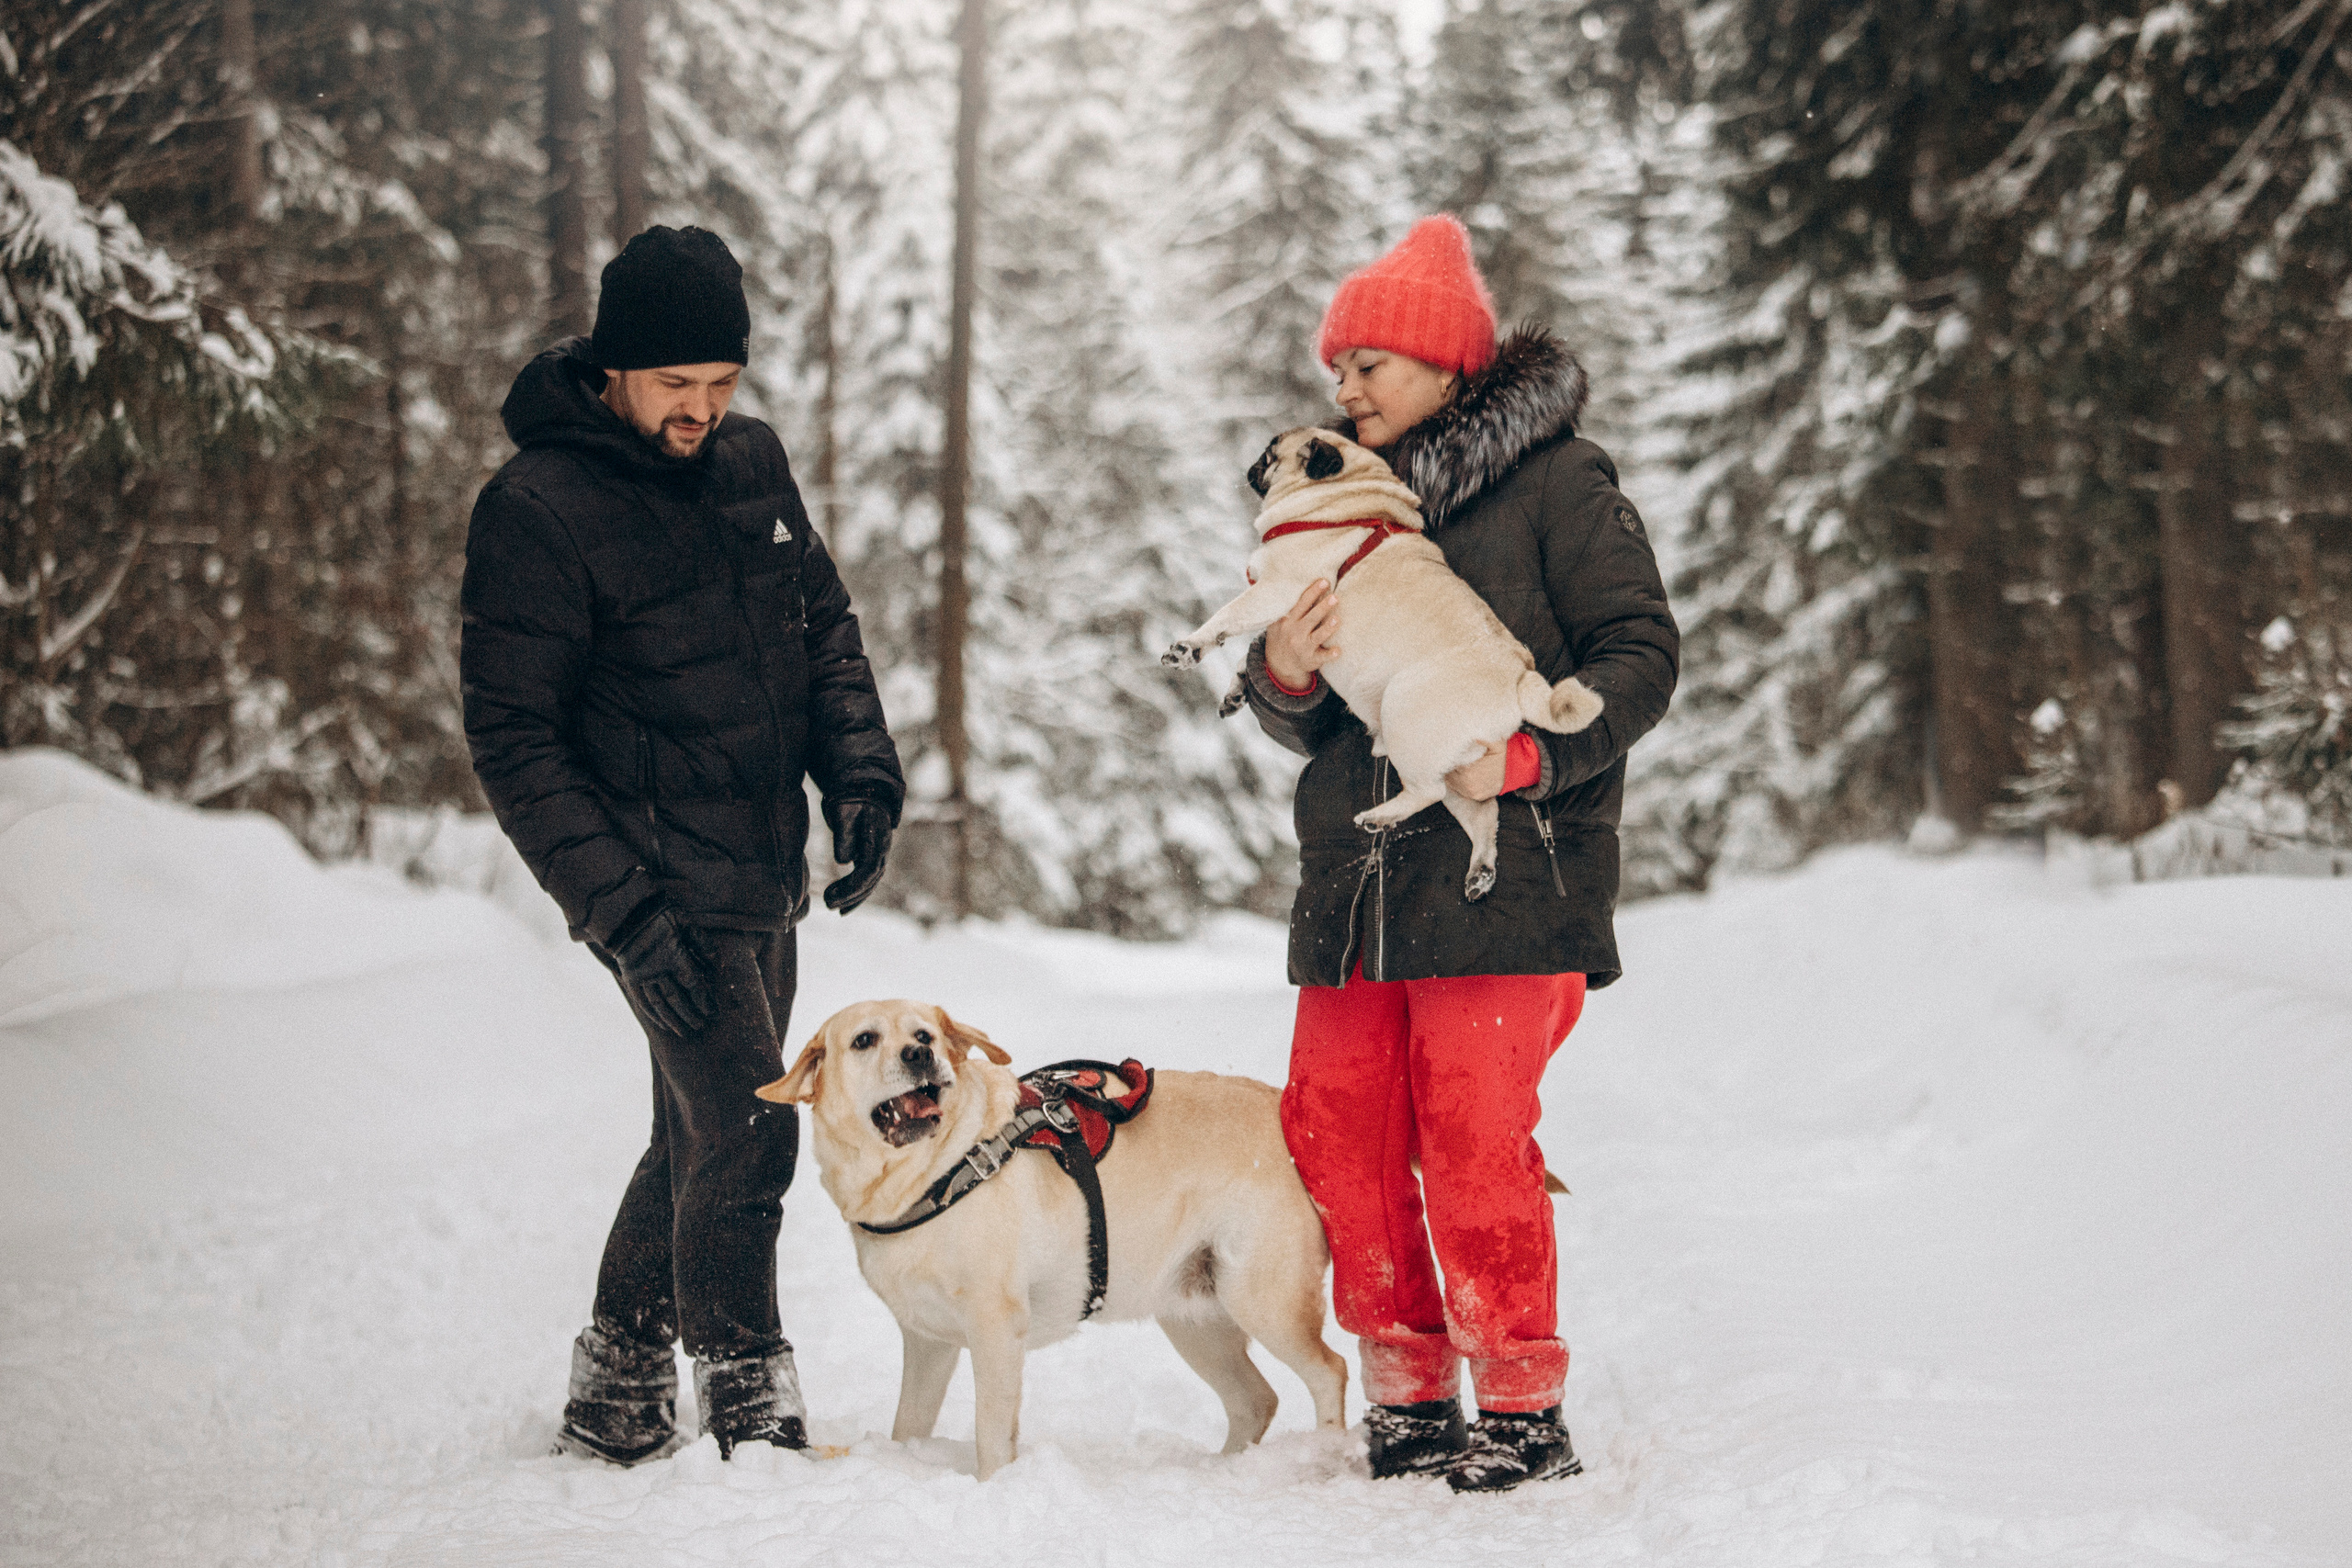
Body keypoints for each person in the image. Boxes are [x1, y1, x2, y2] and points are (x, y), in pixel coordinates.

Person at [1238, 215, 1679, 1492]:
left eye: (1371, 362)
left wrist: (1532, 760)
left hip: (1512, 878)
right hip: (1360, 884)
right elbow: (1301, 718)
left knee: (1474, 1139)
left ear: (1448, 368)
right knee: (1337, 1133)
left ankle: (1523, 1406)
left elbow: (1642, 660)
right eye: (1340, 366)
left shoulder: (1557, 484)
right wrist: (1285, 669)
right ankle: (1411, 1392)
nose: (1346, 387)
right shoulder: (1326, 501)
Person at [460, 226, 904, 1464]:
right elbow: (514, 740)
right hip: (653, 883)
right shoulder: (538, 510)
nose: (702, 412)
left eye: (722, 385)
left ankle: (614, 1390)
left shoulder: (751, 464)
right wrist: (623, 917)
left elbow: (821, 628)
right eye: (675, 387)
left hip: (760, 866)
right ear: (613, 369)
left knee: (696, 1136)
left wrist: (859, 773)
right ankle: (748, 1410)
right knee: (756, 1123)